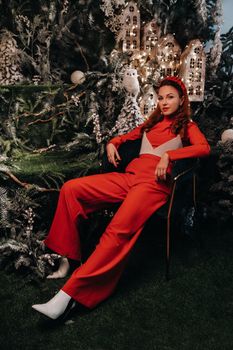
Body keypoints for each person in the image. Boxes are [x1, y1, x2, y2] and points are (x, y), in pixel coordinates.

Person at [32, 76, 210, 320]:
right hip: (129, 178)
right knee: (72, 189)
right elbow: (123, 138)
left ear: (181, 100)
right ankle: (67, 259)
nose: (164, 102)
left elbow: (204, 148)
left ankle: (70, 295)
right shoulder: (150, 124)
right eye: (160, 98)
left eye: (170, 97)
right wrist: (112, 144)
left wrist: (170, 156)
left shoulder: (187, 126)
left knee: (117, 229)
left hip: (154, 186)